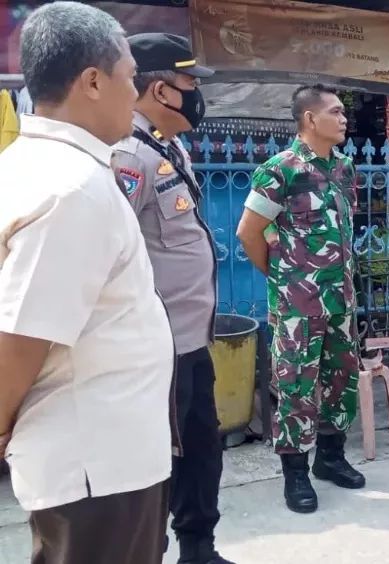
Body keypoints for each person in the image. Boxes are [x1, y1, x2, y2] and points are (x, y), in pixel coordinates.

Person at [0, 3, 174, 562]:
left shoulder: (44, 165)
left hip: (104, 461)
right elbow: (22, 334)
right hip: (96, 470)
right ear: (93, 82)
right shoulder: (71, 189)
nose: (137, 92)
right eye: (130, 77)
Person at [110, 34, 233, 564]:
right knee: (157, 462)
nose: (197, 95)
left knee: (202, 448)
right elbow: (114, 256)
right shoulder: (128, 158)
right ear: (160, 89)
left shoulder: (168, 145)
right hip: (157, 348)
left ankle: (198, 548)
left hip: (190, 339)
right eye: (190, 84)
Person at [236, 84, 367, 514]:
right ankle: (295, 473)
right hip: (297, 305)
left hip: (341, 300)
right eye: (335, 111)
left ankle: (331, 457)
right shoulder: (280, 170)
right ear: (310, 119)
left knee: (340, 378)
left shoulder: (345, 169)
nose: (343, 118)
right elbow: (248, 232)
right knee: (295, 384)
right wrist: (284, 278)